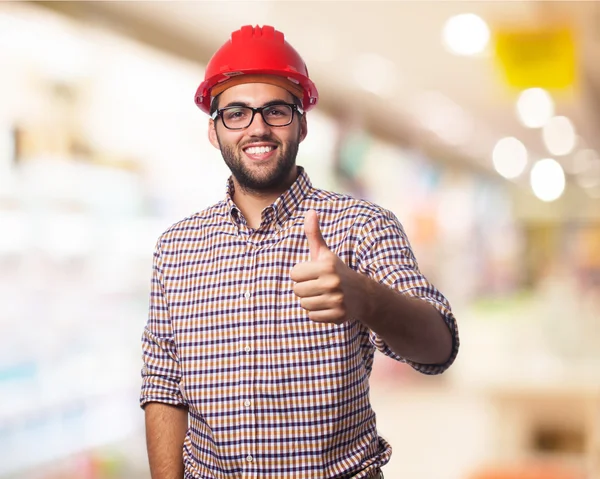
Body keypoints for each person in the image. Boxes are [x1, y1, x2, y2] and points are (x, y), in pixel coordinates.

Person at [140, 25, 459, 479]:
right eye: (236, 113)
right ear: (214, 131)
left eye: (276, 110)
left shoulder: (361, 226)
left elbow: (438, 348)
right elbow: (163, 383)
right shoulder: (176, 247)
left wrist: (365, 297)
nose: (258, 127)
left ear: (303, 123)